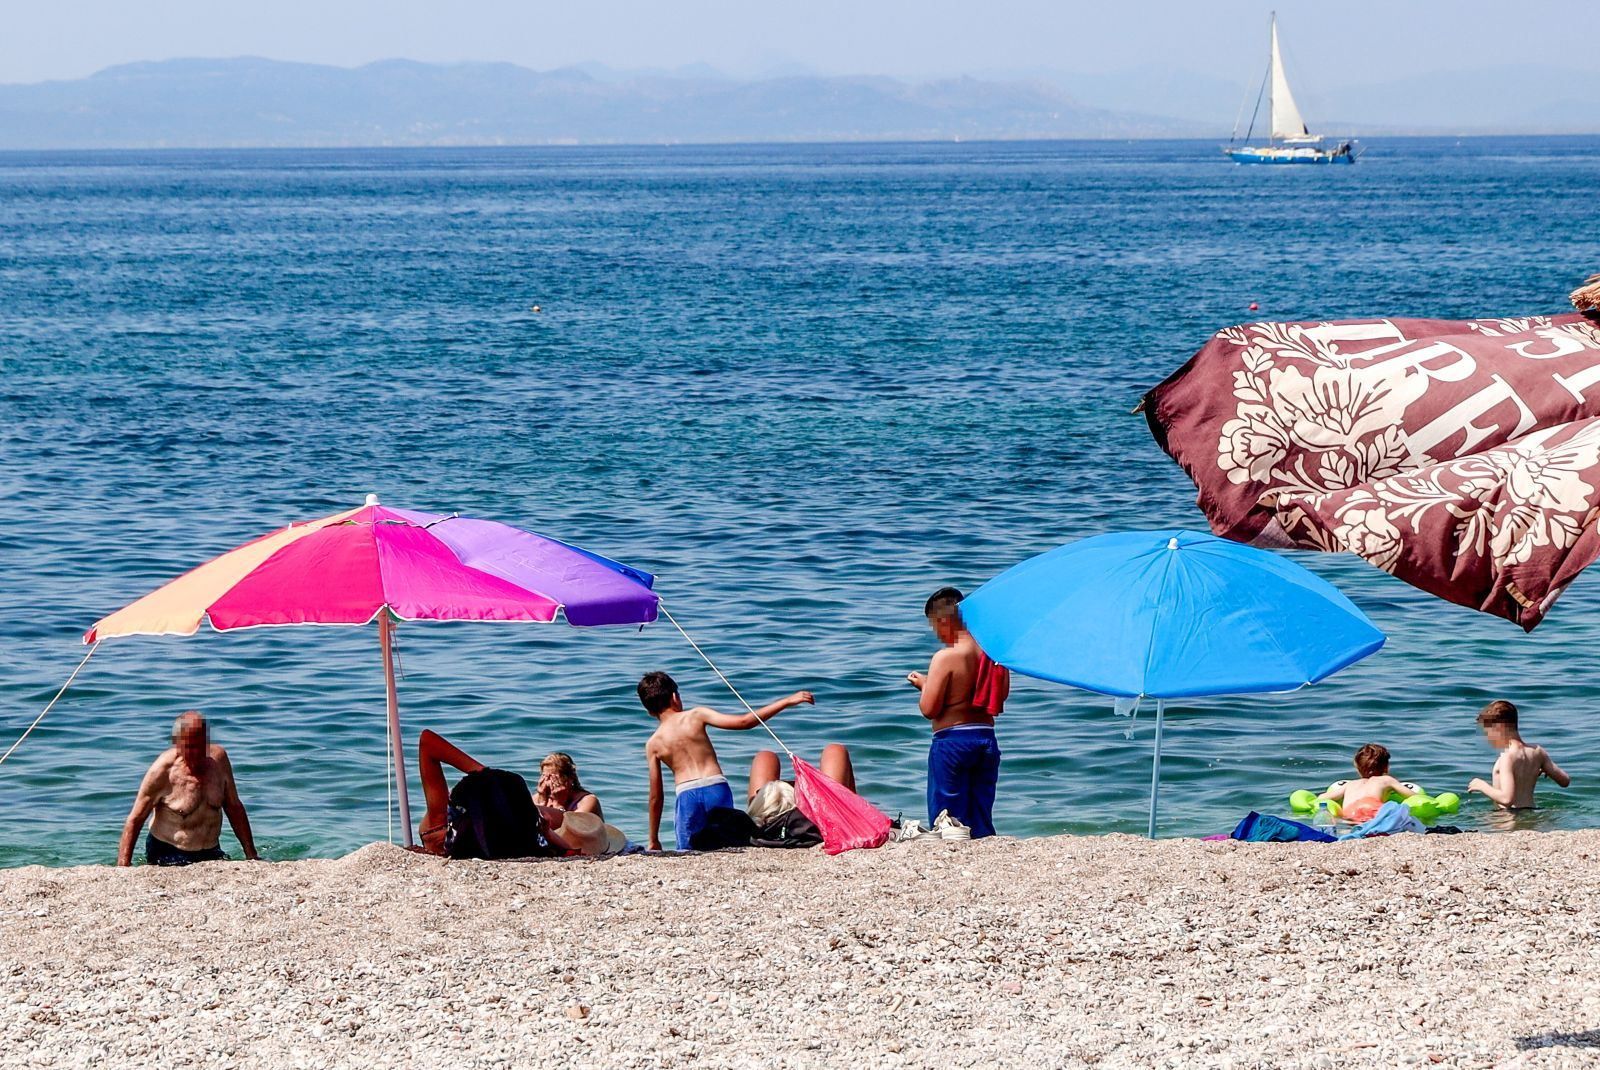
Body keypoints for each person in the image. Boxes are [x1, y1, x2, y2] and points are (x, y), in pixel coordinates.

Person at [638, 670, 814, 851]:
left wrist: (653, 838)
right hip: (716, 788)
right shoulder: (696, 715)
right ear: (675, 697)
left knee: (688, 851)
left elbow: (655, 797)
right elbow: (744, 722)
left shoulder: (653, 744)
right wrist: (786, 701)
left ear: (650, 712)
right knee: (724, 842)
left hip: (686, 795)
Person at [415, 730, 621, 858]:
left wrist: (489, 778)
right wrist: (487, 775)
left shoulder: (440, 825)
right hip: (513, 825)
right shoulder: (508, 832)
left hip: (506, 825)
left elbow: (426, 740)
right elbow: (427, 741)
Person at [907, 587, 1008, 838]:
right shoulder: (993, 654)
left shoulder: (946, 657)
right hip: (986, 739)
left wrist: (924, 685)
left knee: (948, 817)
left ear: (943, 621)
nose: (937, 635)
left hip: (953, 742)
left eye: (935, 627)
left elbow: (929, 709)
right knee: (981, 810)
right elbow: (1000, 694)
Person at [117, 711, 258, 867]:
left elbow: (234, 808)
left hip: (211, 851)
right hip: (168, 852)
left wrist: (251, 856)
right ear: (177, 743)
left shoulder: (219, 761)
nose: (196, 753)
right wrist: (123, 865)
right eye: (190, 747)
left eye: (200, 745)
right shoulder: (163, 771)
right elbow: (135, 819)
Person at [1467, 700, 1570, 809]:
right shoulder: (1537, 751)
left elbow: (1507, 799)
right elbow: (1565, 781)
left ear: (1499, 727)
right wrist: (1544, 768)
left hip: (1508, 819)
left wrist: (1481, 785)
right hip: (1531, 814)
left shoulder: (1507, 756)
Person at [1317, 743, 1414, 824]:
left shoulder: (1349, 784)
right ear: (1387, 767)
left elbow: (1322, 798)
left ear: (1357, 767)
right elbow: (1412, 796)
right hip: (1372, 810)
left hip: (1350, 815)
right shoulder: (1386, 780)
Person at [533, 752, 603, 819]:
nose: (548, 782)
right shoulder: (537, 798)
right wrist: (541, 802)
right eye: (544, 776)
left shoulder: (587, 801)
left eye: (553, 778)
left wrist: (558, 805)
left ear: (570, 778)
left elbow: (571, 827)